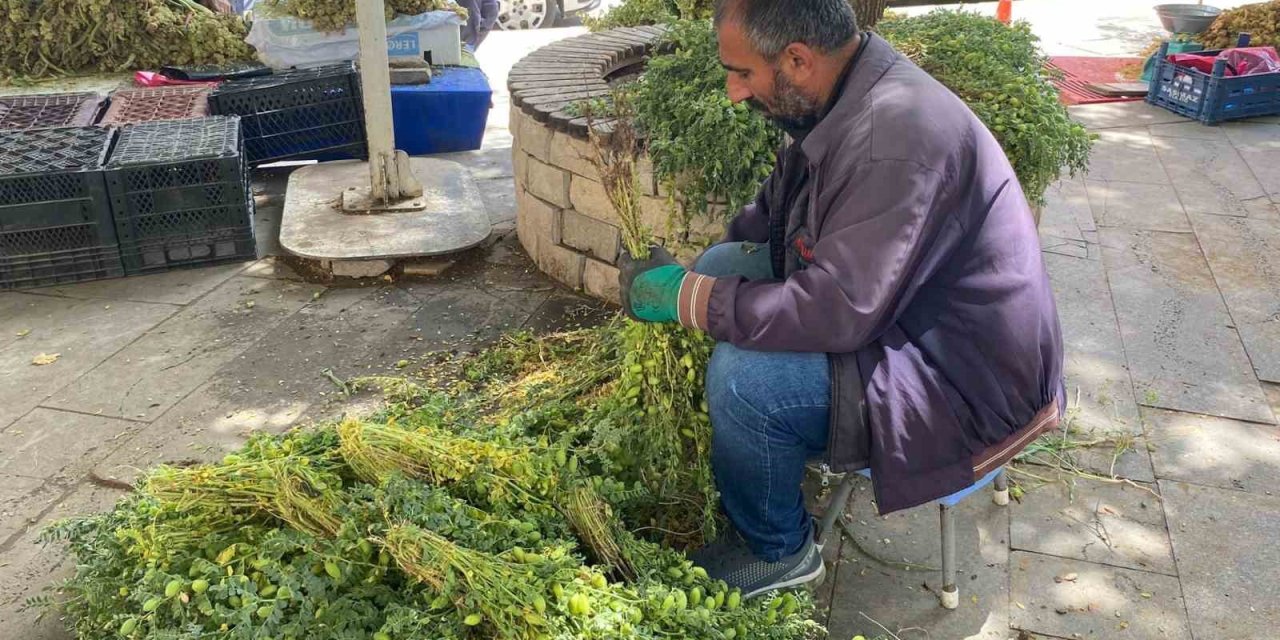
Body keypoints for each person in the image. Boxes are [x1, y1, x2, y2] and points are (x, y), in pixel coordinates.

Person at [617, 0, 1065, 599]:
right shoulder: (841, 94)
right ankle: (765, 463)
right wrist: (698, 278)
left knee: (743, 382)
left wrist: (691, 298)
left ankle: (778, 551)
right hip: (905, 314)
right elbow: (775, 215)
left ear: (797, 60)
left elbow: (837, 310)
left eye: (742, 73)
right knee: (724, 266)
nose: (733, 92)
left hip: (962, 377)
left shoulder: (891, 141)